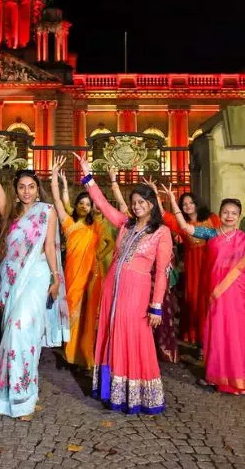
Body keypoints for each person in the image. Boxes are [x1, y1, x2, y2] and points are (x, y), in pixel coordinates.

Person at [0, 128, 65, 421]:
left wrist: (55, 278)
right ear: (16, 190)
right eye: (22, 187)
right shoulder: (10, 213)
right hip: (11, 280)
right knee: (13, 335)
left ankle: (25, 396)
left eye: (31, 186)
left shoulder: (47, 211)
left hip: (37, 275)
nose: (26, 191)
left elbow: (49, 246)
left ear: (37, 189)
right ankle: (10, 397)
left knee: (22, 328)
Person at [75, 155, 171, 414]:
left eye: (142, 202)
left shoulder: (161, 232)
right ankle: (111, 390)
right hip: (112, 287)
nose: (137, 206)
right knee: (111, 332)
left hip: (137, 291)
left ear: (152, 204)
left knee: (134, 335)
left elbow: (162, 271)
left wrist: (156, 306)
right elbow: (103, 205)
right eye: (134, 202)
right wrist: (88, 176)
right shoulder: (125, 225)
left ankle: (136, 394)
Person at [164, 185, 245, 396]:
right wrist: (172, 199)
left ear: (239, 216)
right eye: (226, 212)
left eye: (234, 213)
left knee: (238, 334)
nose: (229, 216)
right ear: (220, 213)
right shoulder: (211, 234)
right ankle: (216, 375)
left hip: (239, 294)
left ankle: (238, 376)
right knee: (216, 333)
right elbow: (185, 227)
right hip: (216, 293)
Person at [49, 157, 106, 370]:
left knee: (88, 314)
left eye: (88, 204)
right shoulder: (68, 223)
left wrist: (99, 257)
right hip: (72, 274)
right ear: (76, 206)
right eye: (81, 203)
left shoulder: (96, 226)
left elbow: (109, 243)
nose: (84, 206)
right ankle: (71, 353)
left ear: (92, 208)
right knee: (71, 309)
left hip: (91, 275)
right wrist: (54, 177)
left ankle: (86, 354)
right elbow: (57, 200)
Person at [162, 192, 220, 344]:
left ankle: (212, 334)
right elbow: (165, 216)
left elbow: (222, 238)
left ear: (197, 203)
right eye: (184, 204)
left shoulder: (212, 218)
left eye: (191, 203)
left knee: (211, 297)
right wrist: (162, 196)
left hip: (212, 262)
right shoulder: (181, 224)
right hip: (193, 265)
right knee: (194, 298)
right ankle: (197, 336)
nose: (188, 206)